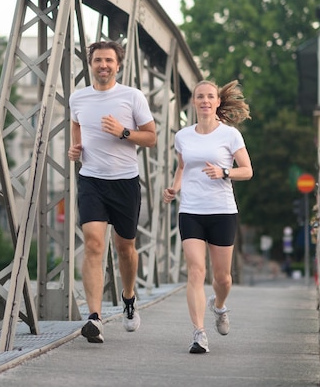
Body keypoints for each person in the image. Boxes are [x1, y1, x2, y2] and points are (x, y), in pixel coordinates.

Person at [68, 40, 157, 343]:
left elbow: (151, 138)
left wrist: (123, 132)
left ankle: (129, 298)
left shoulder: (132, 97)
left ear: (118, 65)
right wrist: (75, 149)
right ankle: (94, 318)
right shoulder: (78, 98)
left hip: (125, 182)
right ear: (90, 64)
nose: (103, 65)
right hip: (91, 179)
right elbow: (76, 127)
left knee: (125, 248)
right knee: (93, 244)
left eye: (108, 60)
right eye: (97, 60)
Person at [163, 79, 252, 354]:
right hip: (191, 210)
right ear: (194, 102)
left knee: (223, 278)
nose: (204, 101)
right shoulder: (183, 136)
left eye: (209, 96)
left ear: (217, 102)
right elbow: (182, 167)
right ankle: (199, 333)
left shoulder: (230, 135)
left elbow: (247, 170)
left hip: (222, 211)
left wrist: (224, 172)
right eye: (199, 96)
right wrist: (174, 188)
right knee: (196, 271)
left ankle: (220, 306)